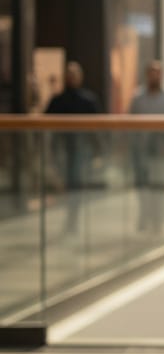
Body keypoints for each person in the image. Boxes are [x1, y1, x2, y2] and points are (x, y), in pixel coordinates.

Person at [129, 60, 164, 234]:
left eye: (157, 72)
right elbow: (130, 122)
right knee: (143, 186)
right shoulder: (138, 97)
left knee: (160, 186)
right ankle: (145, 217)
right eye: (151, 72)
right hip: (142, 150)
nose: (154, 76)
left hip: (162, 150)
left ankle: (158, 220)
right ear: (147, 75)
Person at [45, 61, 101, 234]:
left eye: (74, 74)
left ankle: (73, 220)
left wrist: (97, 153)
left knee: (75, 185)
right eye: (69, 74)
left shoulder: (88, 100)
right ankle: (70, 219)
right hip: (62, 151)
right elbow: (45, 125)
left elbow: (97, 129)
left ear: (80, 77)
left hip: (80, 151)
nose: (71, 78)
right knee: (65, 185)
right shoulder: (57, 100)